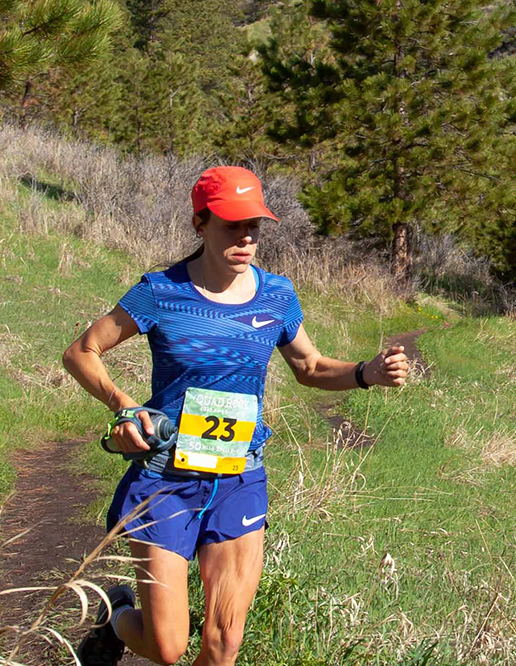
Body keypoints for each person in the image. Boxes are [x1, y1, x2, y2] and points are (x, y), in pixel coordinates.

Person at [61, 165, 411, 666]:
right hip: (167, 478)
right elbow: (82, 352)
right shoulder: (161, 292)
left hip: (239, 475)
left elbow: (309, 367)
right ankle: (117, 616)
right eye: (231, 224)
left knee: (223, 644)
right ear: (200, 224)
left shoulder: (277, 295)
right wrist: (126, 405)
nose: (245, 237)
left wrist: (366, 372)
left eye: (254, 225)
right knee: (167, 646)